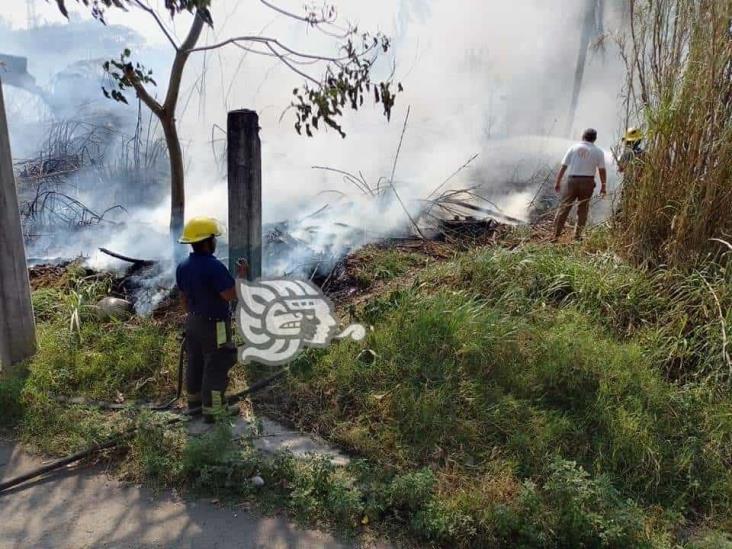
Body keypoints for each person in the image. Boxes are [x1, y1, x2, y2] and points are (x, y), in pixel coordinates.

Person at [176, 217, 247, 422]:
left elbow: (183, 298)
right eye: (214, 238)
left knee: (195, 361)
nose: (215, 242)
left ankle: (195, 404)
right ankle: (214, 410)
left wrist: (193, 316)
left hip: (192, 321)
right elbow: (229, 295)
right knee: (217, 362)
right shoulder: (213, 266)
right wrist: (241, 276)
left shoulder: (183, 266)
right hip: (215, 324)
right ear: (208, 242)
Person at [553, 128, 607, 240]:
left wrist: (558, 182)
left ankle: (555, 235)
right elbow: (602, 170)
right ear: (595, 139)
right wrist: (603, 186)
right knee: (583, 209)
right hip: (587, 183)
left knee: (564, 207)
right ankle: (577, 236)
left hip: (572, 181)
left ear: (583, 136)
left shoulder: (573, 148)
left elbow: (564, 166)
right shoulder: (598, 151)